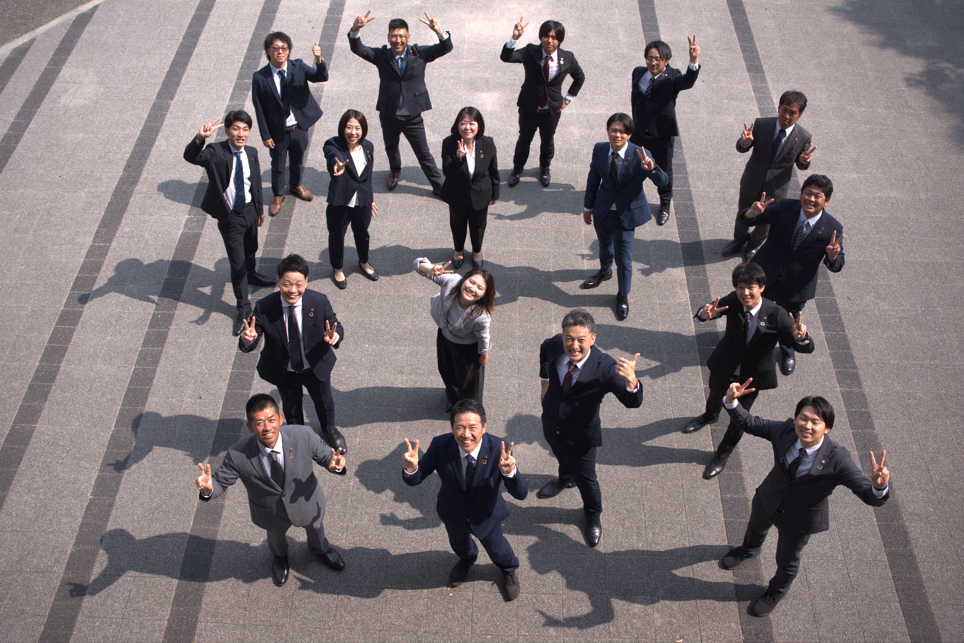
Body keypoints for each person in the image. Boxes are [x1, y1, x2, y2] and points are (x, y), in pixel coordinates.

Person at [718, 381, 890, 616]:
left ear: (827, 427)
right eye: (803, 418)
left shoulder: (838, 459)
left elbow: (867, 493)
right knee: (755, 529)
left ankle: (776, 591)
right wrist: (731, 401)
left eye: (815, 422)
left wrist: (879, 487)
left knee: (786, 560)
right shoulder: (786, 431)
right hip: (769, 498)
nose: (807, 425)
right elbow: (750, 423)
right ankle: (749, 550)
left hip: (798, 519)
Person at [195, 393, 348, 587]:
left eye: (271, 420)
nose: (267, 427)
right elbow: (219, 483)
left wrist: (335, 465)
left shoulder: (303, 435)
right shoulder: (237, 454)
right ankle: (280, 558)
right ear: (250, 426)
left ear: (281, 418)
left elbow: (327, 456)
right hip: (269, 511)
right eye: (259, 423)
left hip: (306, 501)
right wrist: (208, 489)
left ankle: (320, 549)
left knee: (316, 529)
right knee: (275, 538)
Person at [681, 262, 815, 479]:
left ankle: (722, 455)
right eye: (740, 287)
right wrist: (704, 315)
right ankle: (709, 416)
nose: (745, 293)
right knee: (715, 393)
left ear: (761, 287)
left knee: (738, 418)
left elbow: (805, 346)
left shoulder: (777, 314)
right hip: (725, 364)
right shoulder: (734, 300)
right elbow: (710, 309)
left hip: (752, 376)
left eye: (750, 287)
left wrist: (802, 338)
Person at [402, 399, 528, 601]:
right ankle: (467, 559)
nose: (466, 434)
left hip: (486, 516)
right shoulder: (440, 445)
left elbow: (521, 494)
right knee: (459, 544)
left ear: (484, 427)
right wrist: (411, 469)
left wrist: (511, 473)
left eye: (472, 428)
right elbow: (416, 479)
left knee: (498, 548)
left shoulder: (497, 449)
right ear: (452, 428)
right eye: (459, 427)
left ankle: (509, 569)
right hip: (453, 513)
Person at [538, 309, 640, 547]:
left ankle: (592, 514)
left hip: (581, 435)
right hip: (551, 422)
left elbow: (632, 402)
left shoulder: (604, 367)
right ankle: (565, 479)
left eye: (581, 340)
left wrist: (632, 382)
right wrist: (544, 384)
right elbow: (544, 351)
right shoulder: (554, 345)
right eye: (569, 339)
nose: (574, 346)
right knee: (561, 456)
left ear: (592, 339)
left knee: (588, 480)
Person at [239, 254, 348, 454]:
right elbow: (253, 335)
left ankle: (329, 430)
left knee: (324, 402)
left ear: (306, 281)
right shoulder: (264, 307)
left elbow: (335, 324)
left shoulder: (318, 300)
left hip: (314, 365)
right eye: (287, 284)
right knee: (292, 408)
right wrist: (248, 339)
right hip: (285, 370)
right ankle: (298, 436)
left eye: (299, 284)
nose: (293, 290)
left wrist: (335, 335)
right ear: (278, 280)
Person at [183, 111, 275, 336]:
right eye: (236, 129)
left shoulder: (252, 152)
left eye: (245, 129)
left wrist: (260, 209)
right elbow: (191, 157)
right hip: (231, 216)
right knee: (237, 264)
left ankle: (252, 273)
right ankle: (244, 309)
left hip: (250, 211)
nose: (240, 134)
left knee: (251, 247)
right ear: (226, 131)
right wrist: (199, 138)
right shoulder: (215, 152)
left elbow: (255, 182)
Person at [741, 174, 843, 376]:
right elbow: (752, 217)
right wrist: (751, 213)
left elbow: (837, 264)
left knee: (790, 321)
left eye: (818, 196)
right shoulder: (786, 207)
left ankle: (787, 351)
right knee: (754, 309)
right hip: (766, 274)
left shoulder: (833, 228)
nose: (811, 199)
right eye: (808, 193)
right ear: (801, 193)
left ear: (827, 201)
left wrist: (832, 256)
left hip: (796, 285)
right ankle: (748, 340)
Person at [349, 10, 451, 194]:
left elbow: (445, 47)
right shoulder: (382, 56)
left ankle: (439, 186)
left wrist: (439, 31)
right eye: (394, 36)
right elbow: (358, 49)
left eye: (402, 36)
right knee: (391, 146)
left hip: (413, 117)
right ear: (388, 38)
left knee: (424, 154)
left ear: (408, 37)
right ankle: (394, 170)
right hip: (389, 115)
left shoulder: (419, 54)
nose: (398, 40)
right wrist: (356, 29)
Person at [580, 113, 669, 321]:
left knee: (624, 260)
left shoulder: (640, 154)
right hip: (603, 210)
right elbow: (593, 178)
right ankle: (604, 271)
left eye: (622, 131)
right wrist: (588, 207)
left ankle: (622, 295)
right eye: (614, 130)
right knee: (604, 245)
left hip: (627, 215)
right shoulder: (600, 148)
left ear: (629, 134)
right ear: (608, 130)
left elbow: (664, 182)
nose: (617, 134)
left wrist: (652, 168)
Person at [722, 91, 815, 261]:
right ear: (778, 108)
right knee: (744, 211)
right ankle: (739, 239)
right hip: (752, 179)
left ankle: (754, 244)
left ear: (800, 115)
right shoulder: (762, 124)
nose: (786, 116)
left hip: (776, 187)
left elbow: (802, 164)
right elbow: (742, 146)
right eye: (784, 110)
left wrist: (803, 161)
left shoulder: (803, 137)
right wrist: (744, 143)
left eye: (792, 113)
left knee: (766, 219)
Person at [501, 17, 585, 188]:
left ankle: (545, 169)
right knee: (524, 139)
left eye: (554, 37)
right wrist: (514, 38)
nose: (549, 40)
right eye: (546, 36)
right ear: (540, 37)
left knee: (547, 141)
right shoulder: (530, 52)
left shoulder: (567, 58)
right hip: (529, 108)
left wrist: (567, 99)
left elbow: (580, 77)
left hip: (551, 110)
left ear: (559, 40)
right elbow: (506, 57)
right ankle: (517, 170)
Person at [251, 32, 329, 216]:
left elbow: (321, 76)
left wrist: (319, 59)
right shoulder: (260, 77)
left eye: (284, 48)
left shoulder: (298, 67)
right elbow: (259, 108)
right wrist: (265, 135)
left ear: (288, 50)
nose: (280, 51)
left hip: (299, 126)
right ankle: (278, 195)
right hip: (277, 130)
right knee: (278, 163)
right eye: (275, 48)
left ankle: (295, 185)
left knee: (297, 159)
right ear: (268, 51)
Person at [629, 36, 701, 225]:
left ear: (666, 61)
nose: (653, 62)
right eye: (650, 58)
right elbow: (635, 99)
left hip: (661, 135)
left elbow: (688, 81)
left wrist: (693, 61)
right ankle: (630, 197)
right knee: (633, 167)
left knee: (664, 172)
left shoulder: (673, 77)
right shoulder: (638, 73)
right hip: (638, 132)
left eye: (657, 59)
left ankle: (665, 204)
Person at [414, 257, 494, 411]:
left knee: (470, 382)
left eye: (480, 287)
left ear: (484, 294)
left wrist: (484, 354)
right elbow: (417, 265)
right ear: (464, 279)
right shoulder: (452, 282)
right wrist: (430, 269)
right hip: (445, 336)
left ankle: (471, 409)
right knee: (446, 370)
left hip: (467, 348)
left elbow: (483, 336)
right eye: (471, 282)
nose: (472, 288)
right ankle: (453, 399)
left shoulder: (481, 315)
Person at [322, 109, 379, 289]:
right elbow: (332, 156)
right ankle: (337, 268)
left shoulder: (368, 147)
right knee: (337, 236)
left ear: (363, 130)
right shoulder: (333, 145)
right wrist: (337, 165)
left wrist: (370, 199)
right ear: (342, 128)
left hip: (362, 202)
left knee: (363, 234)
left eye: (357, 128)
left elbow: (368, 177)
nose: (353, 132)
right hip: (340, 202)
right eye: (348, 127)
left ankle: (364, 262)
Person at [440, 106, 500, 269]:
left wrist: (495, 192)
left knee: (478, 226)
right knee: (457, 224)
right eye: (463, 123)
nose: (467, 127)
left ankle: (477, 251)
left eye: (472, 123)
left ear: (478, 125)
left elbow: (493, 170)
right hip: (457, 194)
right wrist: (458, 158)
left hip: (480, 194)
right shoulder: (449, 143)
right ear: (457, 125)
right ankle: (458, 250)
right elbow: (447, 172)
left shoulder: (487, 143)